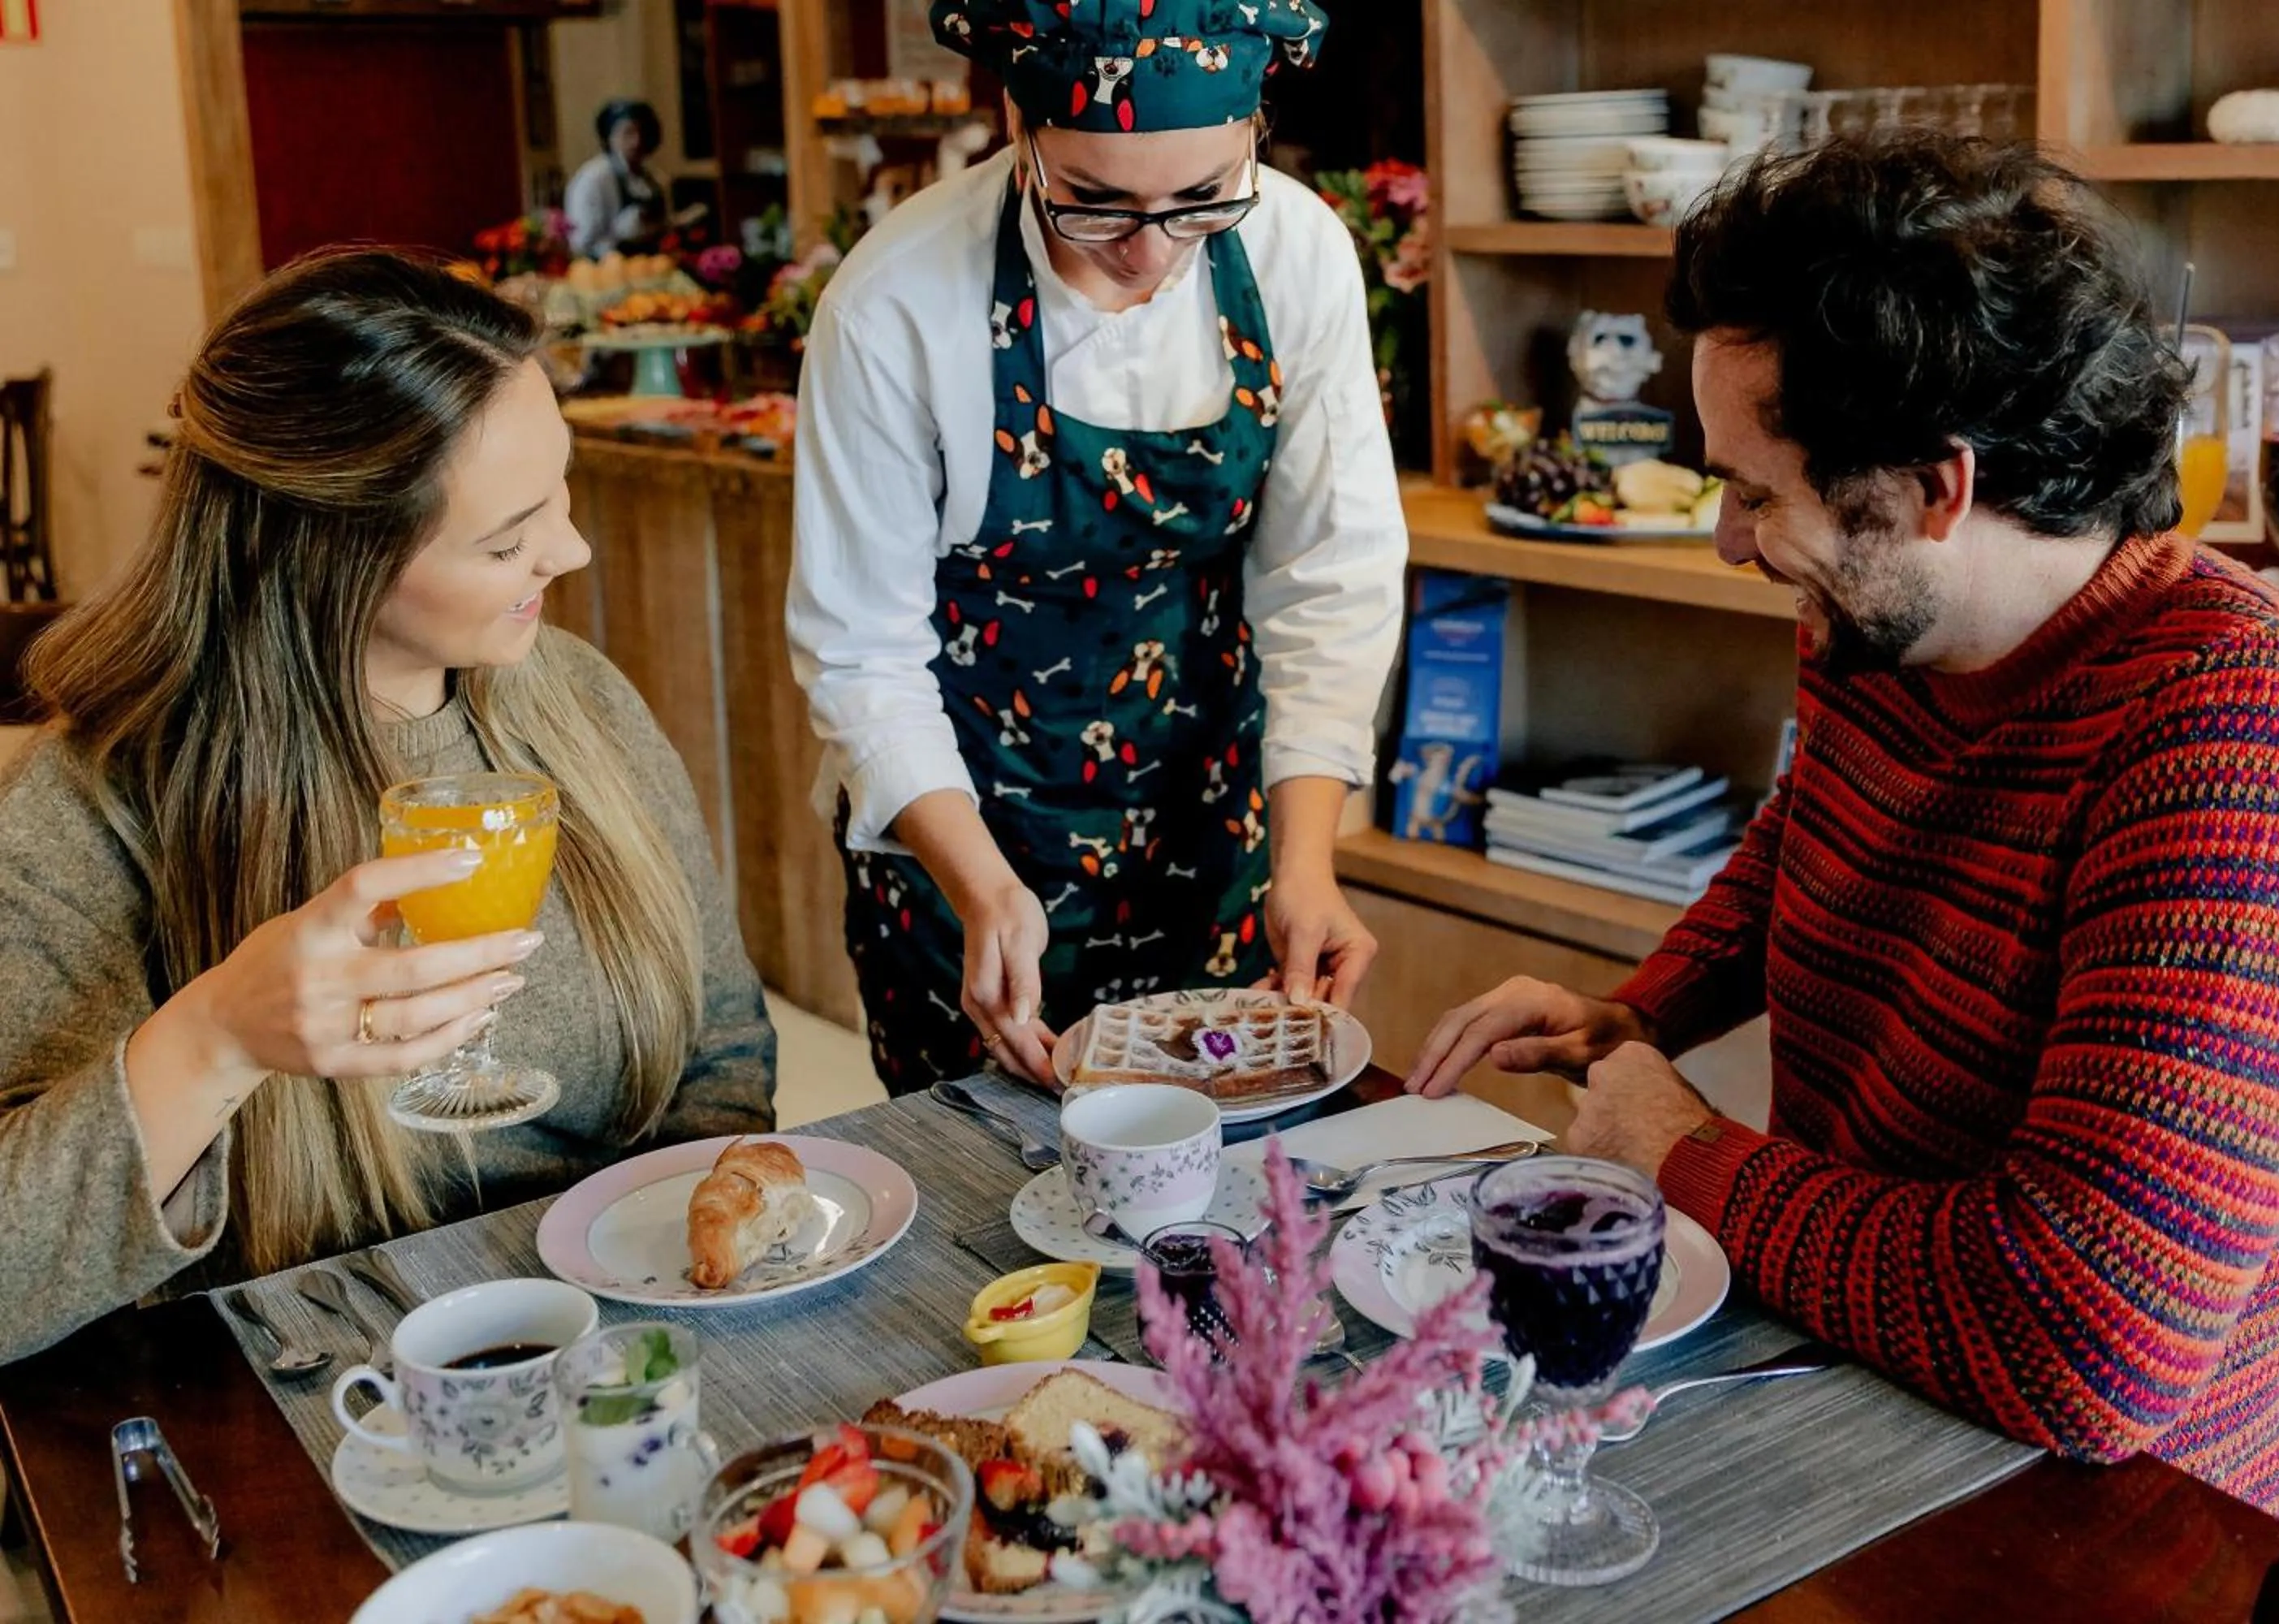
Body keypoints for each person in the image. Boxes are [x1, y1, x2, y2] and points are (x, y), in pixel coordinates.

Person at [1409, 134, 2279, 1535]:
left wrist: (1680, 1149)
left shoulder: (2249, 739)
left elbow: (2083, 1349)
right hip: (1843, 1389)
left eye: (1759, 494)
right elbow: (1811, 835)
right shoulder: (1881, 621)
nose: (1728, 543)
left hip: (2112, 1530)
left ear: (1937, 487)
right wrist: (1643, 1009)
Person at [0, 249, 775, 1364]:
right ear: (337, 553)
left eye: (558, 494)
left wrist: (675, 1281)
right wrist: (215, 1037)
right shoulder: (94, 805)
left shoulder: (583, 705)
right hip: (318, 1385)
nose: (571, 550)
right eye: (507, 538)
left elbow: (724, 1045)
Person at [788, 0, 1405, 1094]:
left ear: (1254, 132)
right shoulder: (896, 300)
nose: (1149, 250)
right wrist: (981, 889)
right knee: (980, 1167)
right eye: (1095, 202)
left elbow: (1328, 577)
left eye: (1203, 198)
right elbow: (862, 651)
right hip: (967, 834)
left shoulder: (1297, 252)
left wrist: (1306, 865)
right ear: (1019, 132)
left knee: (1223, 1148)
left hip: (1210, 823)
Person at [565, 99, 671, 260]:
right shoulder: (595, 179)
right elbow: (583, 243)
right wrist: (622, 233)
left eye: (642, 133)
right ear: (610, 137)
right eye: (628, 133)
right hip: (607, 267)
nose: (636, 142)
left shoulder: (653, 178)